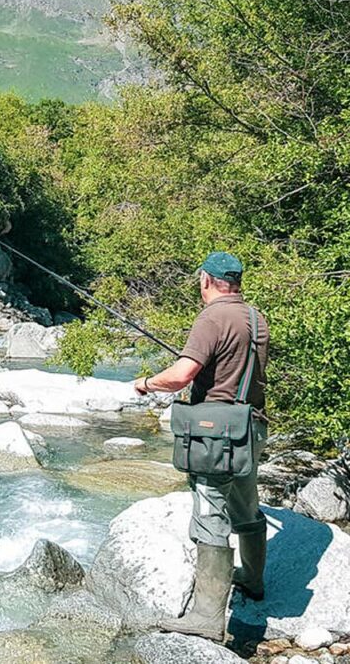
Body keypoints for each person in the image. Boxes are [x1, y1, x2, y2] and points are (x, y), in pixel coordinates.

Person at [133, 251, 270, 642]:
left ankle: (207, 619)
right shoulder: (256, 316)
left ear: (206, 281)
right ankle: (252, 580)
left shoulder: (211, 317)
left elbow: (181, 376)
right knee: (246, 502)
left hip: (216, 434)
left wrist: (145, 383)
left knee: (210, 511)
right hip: (250, 427)